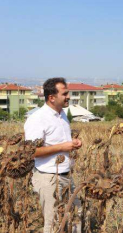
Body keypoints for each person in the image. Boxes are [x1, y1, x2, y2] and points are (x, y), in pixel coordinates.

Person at [24, 77, 82, 233]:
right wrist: (63, 146)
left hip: (66, 176)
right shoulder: (37, 119)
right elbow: (31, 152)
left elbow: (58, 142)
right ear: (51, 97)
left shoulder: (62, 115)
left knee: (76, 216)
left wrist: (72, 143)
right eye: (65, 94)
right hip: (48, 178)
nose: (68, 96)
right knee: (53, 224)